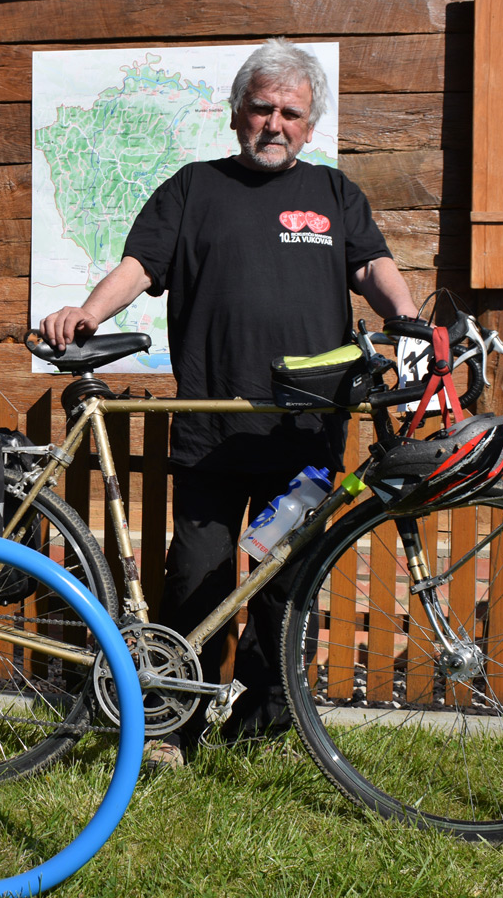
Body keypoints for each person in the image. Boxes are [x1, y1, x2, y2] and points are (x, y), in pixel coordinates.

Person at [38, 38, 419, 767]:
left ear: (310, 125)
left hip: (302, 436)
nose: (275, 123)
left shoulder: (333, 194)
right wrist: (88, 311)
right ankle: (173, 726)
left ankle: (261, 725)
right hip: (212, 433)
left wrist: (405, 319)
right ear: (237, 113)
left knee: (282, 580)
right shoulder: (193, 188)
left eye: (291, 113)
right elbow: (140, 265)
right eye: (262, 108)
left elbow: (373, 265)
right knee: (198, 576)